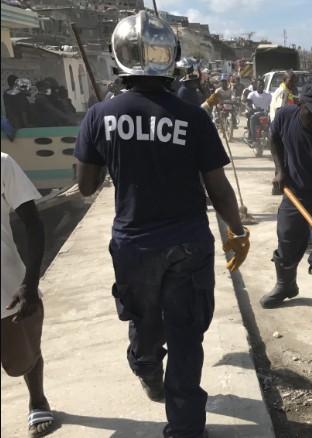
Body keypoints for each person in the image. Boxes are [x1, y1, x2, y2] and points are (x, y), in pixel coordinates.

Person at [73, 12, 250, 438]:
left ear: (119, 61)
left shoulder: (100, 115)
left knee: (143, 322)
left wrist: (110, 149)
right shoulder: (193, 117)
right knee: (187, 336)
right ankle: (186, 428)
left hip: (134, 246)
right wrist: (237, 231)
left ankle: (147, 369)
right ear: (171, 59)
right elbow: (219, 189)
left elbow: (85, 186)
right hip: (188, 243)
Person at [259, 82, 312, 326]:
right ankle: (286, 286)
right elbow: (273, 137)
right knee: (286, 241)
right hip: (293, 194)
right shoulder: (285, 116)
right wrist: (279, 169)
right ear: (299, 105)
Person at [1, 152, 54, 438]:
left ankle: (37, 399)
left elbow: (33, 222)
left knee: (26, 356)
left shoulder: (3, 163)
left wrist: (30, 282)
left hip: (6, 289)